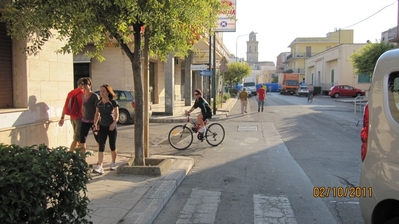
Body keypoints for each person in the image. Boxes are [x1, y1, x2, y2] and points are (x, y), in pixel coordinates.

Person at [93, 84, 119, 174]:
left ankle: (113, 162)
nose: (102, 93)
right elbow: (97, 114)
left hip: (111, 127)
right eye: (100, 91)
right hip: (102, 126)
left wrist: (114, 123)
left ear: (108, 92)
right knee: (101, 146)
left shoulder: (113, 103)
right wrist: (95, 124)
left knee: (112, 145)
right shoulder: (98, 103)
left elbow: (117, 114)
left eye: (103, 91)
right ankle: (100, 166)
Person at [59, 78, 85, 152]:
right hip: (80, 118)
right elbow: (83, 107)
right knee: (77, 139)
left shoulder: (71, 93)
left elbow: (65, 105)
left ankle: (78, 155)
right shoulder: (82, 94)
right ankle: (70, 155)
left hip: (72, 117)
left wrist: (62, 117)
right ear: (82, 85)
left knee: (78, 137)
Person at [79, 77, 100, 157]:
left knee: (98, 140)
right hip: (85, 121)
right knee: (82, 140)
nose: (84, 86)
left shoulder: (95, 96)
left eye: (86, 84)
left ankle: (100, 156)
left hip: (94, 121)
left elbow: (98, 111)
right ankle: (82, 158)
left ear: (90, 85)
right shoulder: (83, 96)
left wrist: (96, 123)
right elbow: (83, 107)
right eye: (83, 84)